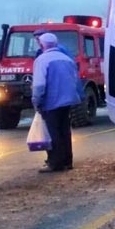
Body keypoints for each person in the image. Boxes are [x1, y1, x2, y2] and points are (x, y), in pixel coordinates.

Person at [32, 33, 82, 173]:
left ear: (42, 45)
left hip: (50, 102)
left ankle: (55, 163)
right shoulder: (67, 59)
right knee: (64, 130)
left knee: (52, 132)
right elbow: (74, 80)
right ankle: (67, 161)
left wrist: (36, 101)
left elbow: (39, 85)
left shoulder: (42, 60)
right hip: (67, 101)